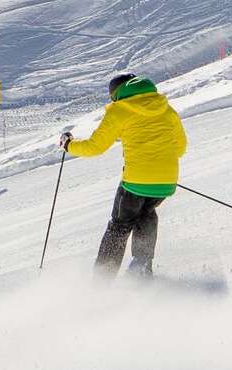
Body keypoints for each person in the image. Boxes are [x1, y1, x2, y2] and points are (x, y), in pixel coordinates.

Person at [62, 73, 188, 277]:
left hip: (135, 181)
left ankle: (102, 279)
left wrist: (68, 145)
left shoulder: (120, 110)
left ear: (117, 94)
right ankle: (142, 267)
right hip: (166, 180)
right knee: (146, 214)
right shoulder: (166, 108)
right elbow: (180, 147)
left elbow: (95, 147)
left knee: (120, 225)